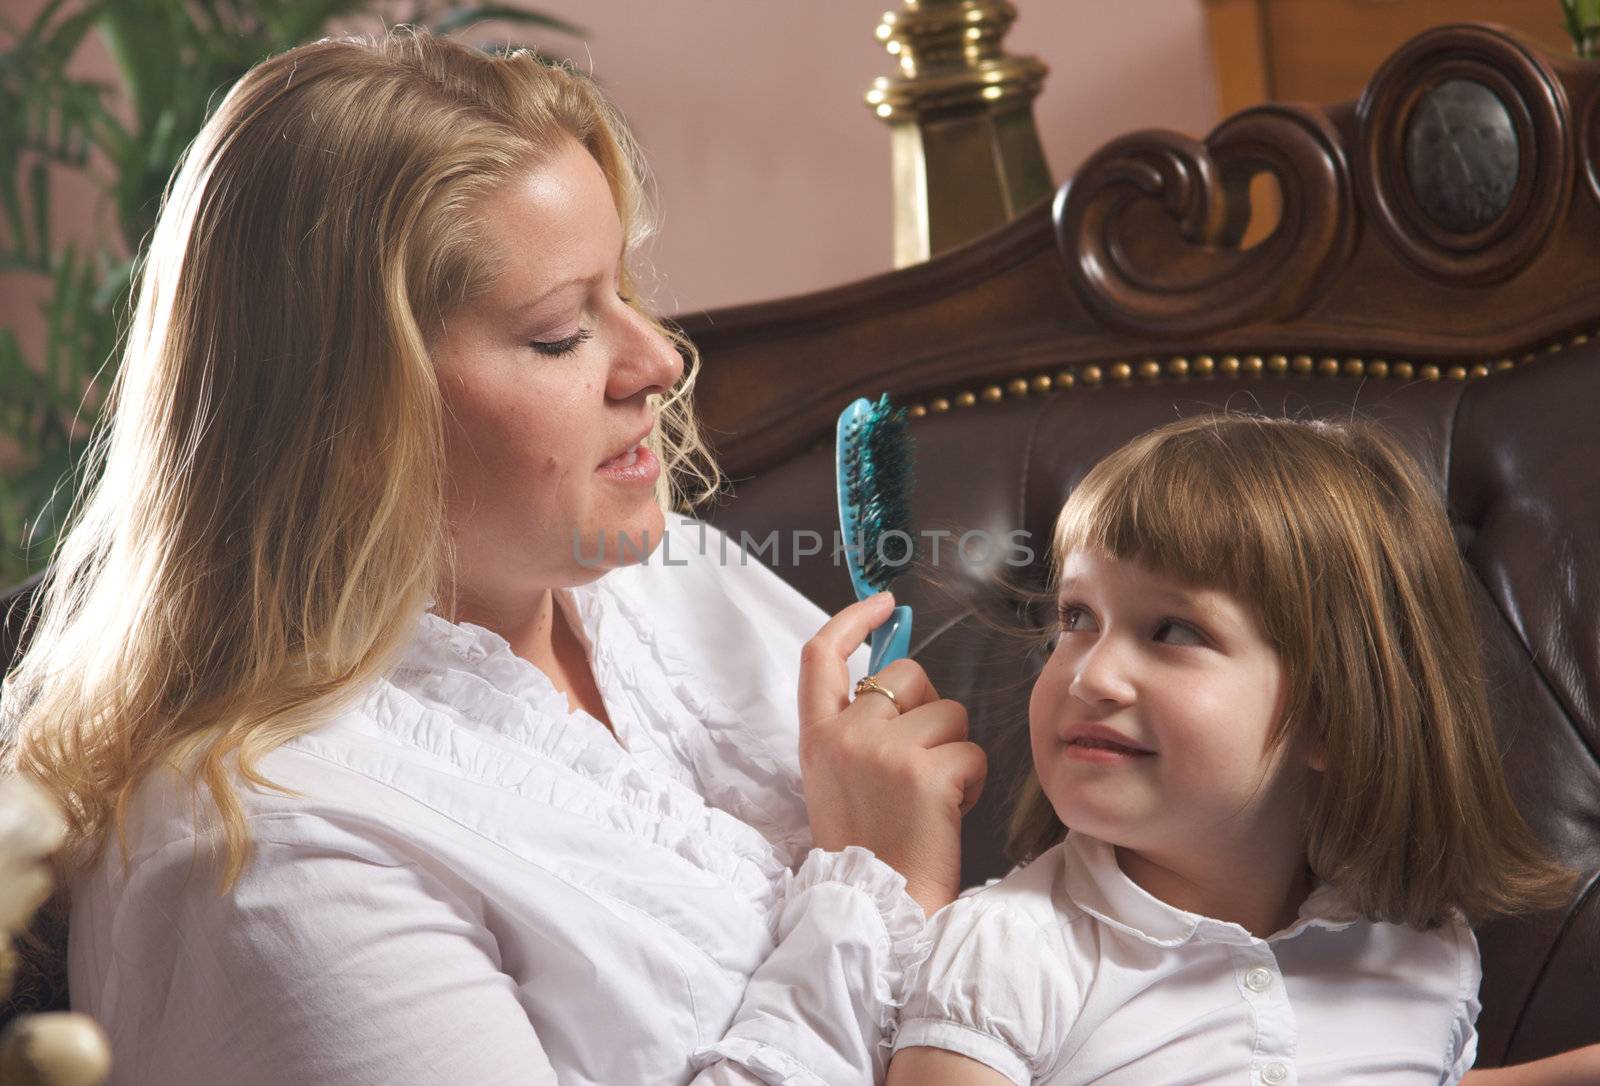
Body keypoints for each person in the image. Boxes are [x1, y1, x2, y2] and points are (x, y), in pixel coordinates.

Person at [0, 28, 985, 1085]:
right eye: (562, 333)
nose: (659, 360)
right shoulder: (263, 855)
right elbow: (902, 885)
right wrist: (872, 888)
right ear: (348, 419)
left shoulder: (677, 578)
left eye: (625, 288)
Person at [885, 415, 1596, 1085]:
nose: (1088, 675)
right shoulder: (1008, 952)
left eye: (1172, 631)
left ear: (1332, 716)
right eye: (1077, 618)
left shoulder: (1422, 954)